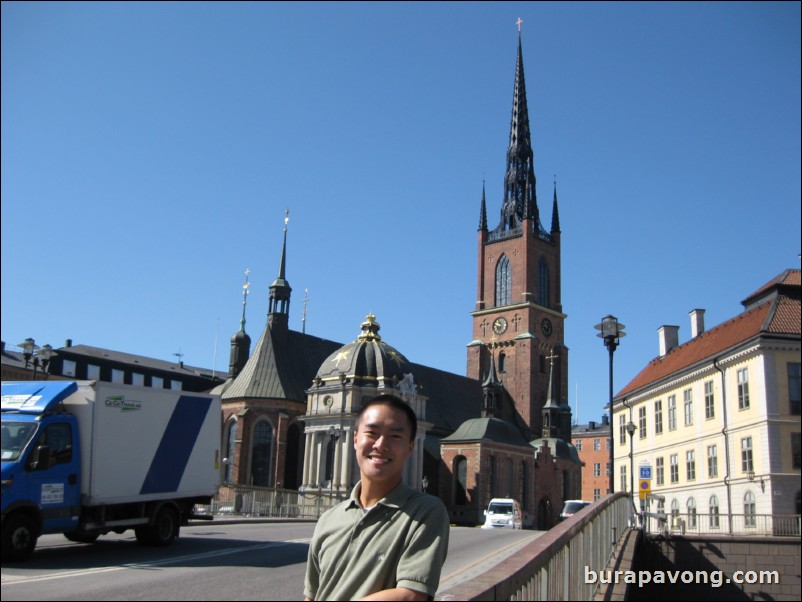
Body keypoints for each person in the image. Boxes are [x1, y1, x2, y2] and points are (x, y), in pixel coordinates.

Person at [304, 394, 450, 601]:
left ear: (411, 447)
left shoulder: (426, 512)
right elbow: (312, 595)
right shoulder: (328, 519)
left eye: (395, 436)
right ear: (355, 439)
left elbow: (411, 596)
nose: (381, 444)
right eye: (372, 433)